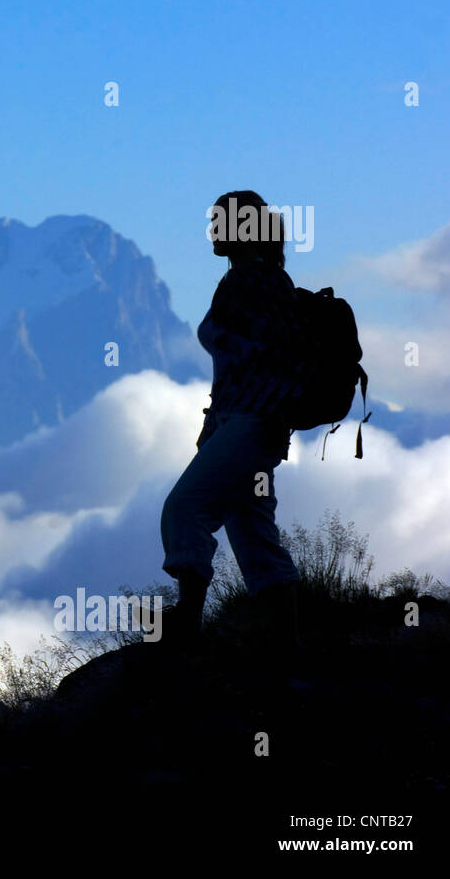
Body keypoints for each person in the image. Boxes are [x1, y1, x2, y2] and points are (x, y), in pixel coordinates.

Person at [160, 191, 306, 653]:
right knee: (253, 531)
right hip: (245, 425)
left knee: (184, 509)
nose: (211, 231)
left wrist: (258, 413)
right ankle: (288, 647)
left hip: (250, 423)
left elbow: (279, 354)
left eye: (218, 222)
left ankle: (187, 624)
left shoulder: (254, 280)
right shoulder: (257, 278)